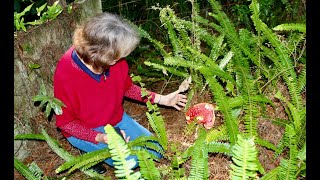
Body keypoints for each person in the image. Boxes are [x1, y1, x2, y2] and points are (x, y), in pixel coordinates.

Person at [53, 12, 188, 173]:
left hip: (116, 119)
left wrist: (162, 99)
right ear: (101, 55)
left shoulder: (116, 61)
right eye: (119, 55)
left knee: (155, 150)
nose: (122, 59)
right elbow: (66, 124)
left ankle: (100, 151)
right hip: (88, 129)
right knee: (128, 162)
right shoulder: (66, 75)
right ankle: (88, 151)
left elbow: (127, 88)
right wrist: (100, 137)